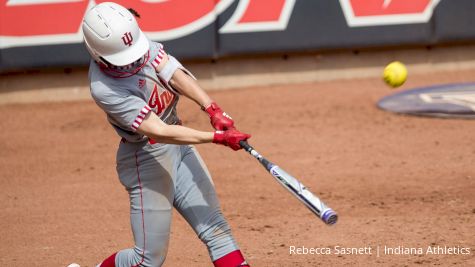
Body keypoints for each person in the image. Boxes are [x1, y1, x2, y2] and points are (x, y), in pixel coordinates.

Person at [71, 2, 251, 267]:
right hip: (146, 159)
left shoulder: (136, 44)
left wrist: (213, 109)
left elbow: (173, 72)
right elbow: (160, 131)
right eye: (127, 57)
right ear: (99, 54)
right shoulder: (105, 88)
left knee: (217, 230)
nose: (135, 60)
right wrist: (216, 138)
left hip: (180, 149)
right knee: (147, 260)